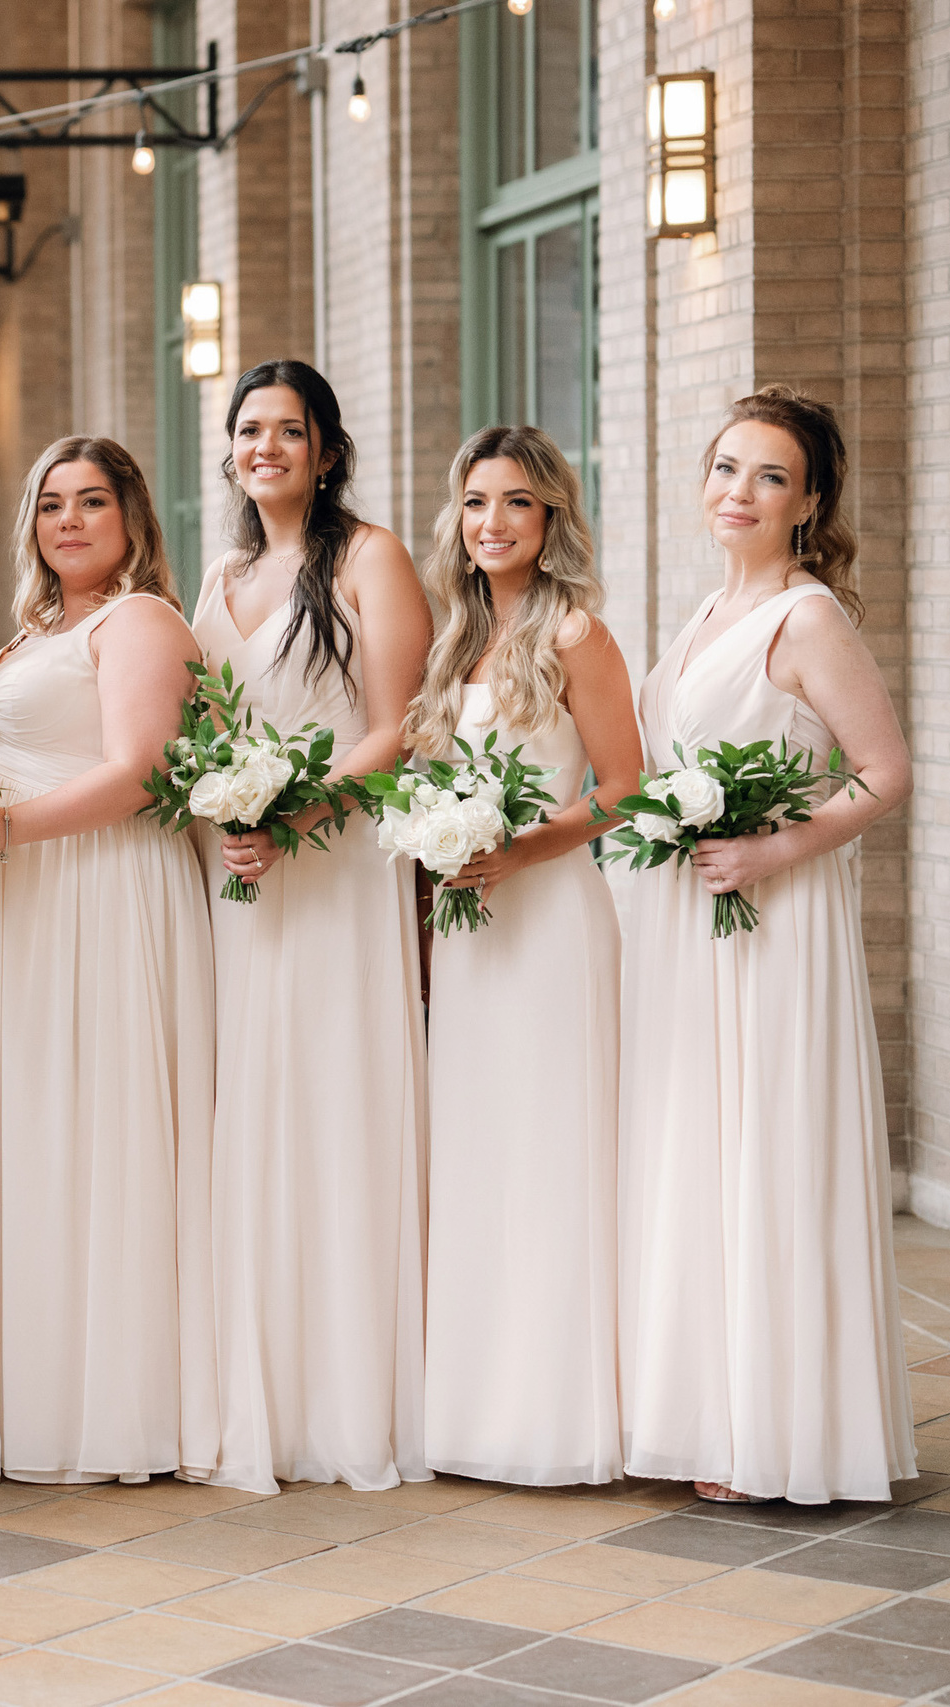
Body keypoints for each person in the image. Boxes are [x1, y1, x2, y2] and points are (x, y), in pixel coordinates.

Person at [622, 387, 915, 1505]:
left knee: (764, 1148)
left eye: (769, 477)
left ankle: (775, 1430)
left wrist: (775, 851)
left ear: (810, 504)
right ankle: (706, 1413)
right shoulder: (703, 614)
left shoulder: (808, 618)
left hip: (774, 925)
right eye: (726, 469)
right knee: (701, 1149)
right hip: (691, 926)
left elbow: (883, 772)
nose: (737, 493)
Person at [0, 437, 217, 1484]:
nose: (71, 522)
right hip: (15, 908)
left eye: (93, 502)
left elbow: (138, 773)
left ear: (132, 515)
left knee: (96, 1130)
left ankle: (113, 1401)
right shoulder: (30, 635)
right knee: (22, 1132)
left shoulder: (139, 621)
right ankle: (26, 1386)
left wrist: (2, 831)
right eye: (52, 504)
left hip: (94, 893)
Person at [192, 360, 433, 1494]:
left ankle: (346, 1396)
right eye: (249, 430)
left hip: (331, 869)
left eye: (289, 431)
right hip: (235, 876)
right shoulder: (222, 571)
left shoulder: (369, 557)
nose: (266, 448)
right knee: (251, 1101)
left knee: (333, 1101)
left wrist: (300, 813)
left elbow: (399, 725)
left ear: (327, 449)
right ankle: (258, 1386)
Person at [406, 427, 639, 1486]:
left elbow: (624, 788)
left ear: (550, 521)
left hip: (549, 921)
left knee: (550, 1150)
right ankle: (472, 1408)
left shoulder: (576, 633)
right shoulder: (452, 643)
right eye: (473, 504)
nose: (490, 523)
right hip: (468, 932)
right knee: (476, 1152)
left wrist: (523, 847)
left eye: (514, 504)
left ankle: (553, 1414)